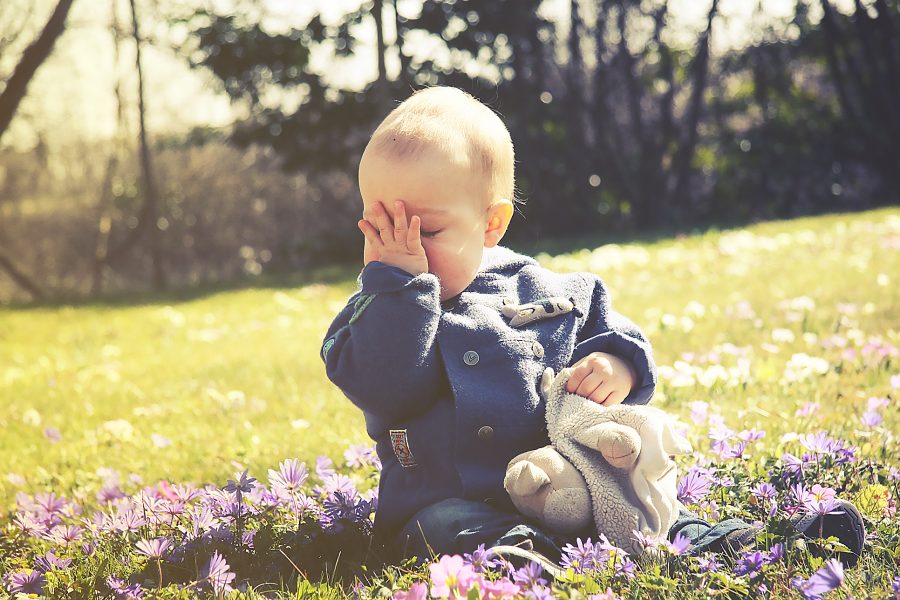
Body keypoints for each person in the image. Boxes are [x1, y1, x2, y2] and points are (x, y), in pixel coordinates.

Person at [320, 86, 865, 570]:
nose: (401, 245)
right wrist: (399, 289)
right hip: (448, 503)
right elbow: (385, 385)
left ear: (492, 224)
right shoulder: (377, 307)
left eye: (426, 228)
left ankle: (757, 545)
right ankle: (533, 559)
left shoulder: (551, 290)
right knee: (447, 530)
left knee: (656, 514)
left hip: (584, 481)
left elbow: (616, 334)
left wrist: (617, 365)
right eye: (379, 223)